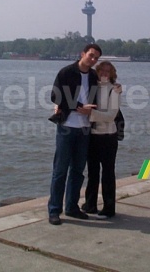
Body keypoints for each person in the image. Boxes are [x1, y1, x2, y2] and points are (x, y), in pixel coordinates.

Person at [48, 43, 102, 225]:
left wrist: (116, 86)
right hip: (67, 127)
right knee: (60, 170)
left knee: (78, 171)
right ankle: (55, 210)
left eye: (96, 58)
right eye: (91, 55)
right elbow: (55, 97)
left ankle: (72, 207)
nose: (93, 60)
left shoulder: (94, 75)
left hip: (85, 129)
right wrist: (79, 107)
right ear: (83, 54)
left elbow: (102, 91)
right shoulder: (66, 73)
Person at [77, 61, 121, 219]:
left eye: (107, 71)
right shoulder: (92, 87)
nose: (104, 73)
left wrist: (91, 114)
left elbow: (111, 116)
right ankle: (90, 204)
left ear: (112, 74)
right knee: (92, 172)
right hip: (93, 136)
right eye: (101, 70)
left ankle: (109, 208)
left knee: (108, 173)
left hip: (108, 137)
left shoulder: (114, 90)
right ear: (97, 71)